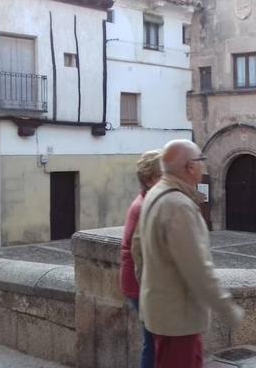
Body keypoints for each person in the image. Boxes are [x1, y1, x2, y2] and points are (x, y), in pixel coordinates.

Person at [138, 139, 243, 368]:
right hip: (178, 318)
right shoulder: (178, 206)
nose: (204, 166)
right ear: (190, 167)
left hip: (163, 312)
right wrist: (228, 308)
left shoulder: (157, 193)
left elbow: (141, 253)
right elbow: (197, 268)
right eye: (201, 160)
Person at [119, 150, 162, 368]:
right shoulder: (145, 206)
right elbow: (138, 254)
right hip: (139, 286)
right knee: (153, 341)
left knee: (152, 340)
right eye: (162, 176)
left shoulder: (147, 200)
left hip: (136, 285)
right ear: (150, 179)